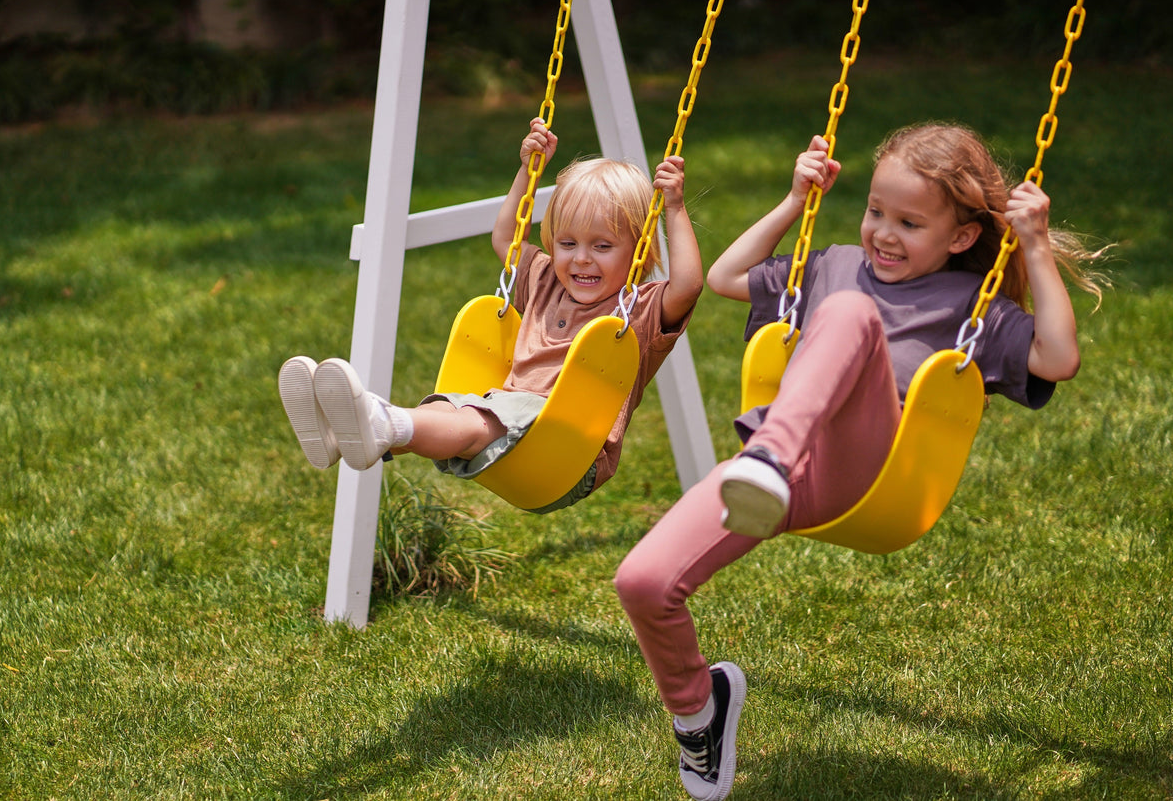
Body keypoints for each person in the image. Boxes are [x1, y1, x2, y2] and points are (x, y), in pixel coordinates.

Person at [614, 122, 1107, 800]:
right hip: (775, 468)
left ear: (960, 237)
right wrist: (793, 201)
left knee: (848, 314)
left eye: (909, 222)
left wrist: (1035, 248)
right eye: (875, 210)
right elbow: (726, 277)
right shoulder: (832, 263)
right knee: (641, 581)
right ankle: (700, 713)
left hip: (869, 472)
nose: (881, 232)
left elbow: (1057, 358)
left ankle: (773, 461)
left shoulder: (968, 304)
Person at [278, 117, 704, 513]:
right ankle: (345, 434)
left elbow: (688, 286)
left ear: (640, 250)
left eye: (603, 246)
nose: (581, 261)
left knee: (474, 420)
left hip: (567, 452)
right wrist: (528, 172)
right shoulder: (544, 280)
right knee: (452, 412)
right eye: (568, 243)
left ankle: (382, 420)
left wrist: (675, 207)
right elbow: (506, 236)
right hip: (505, 416)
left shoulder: (639, 310)